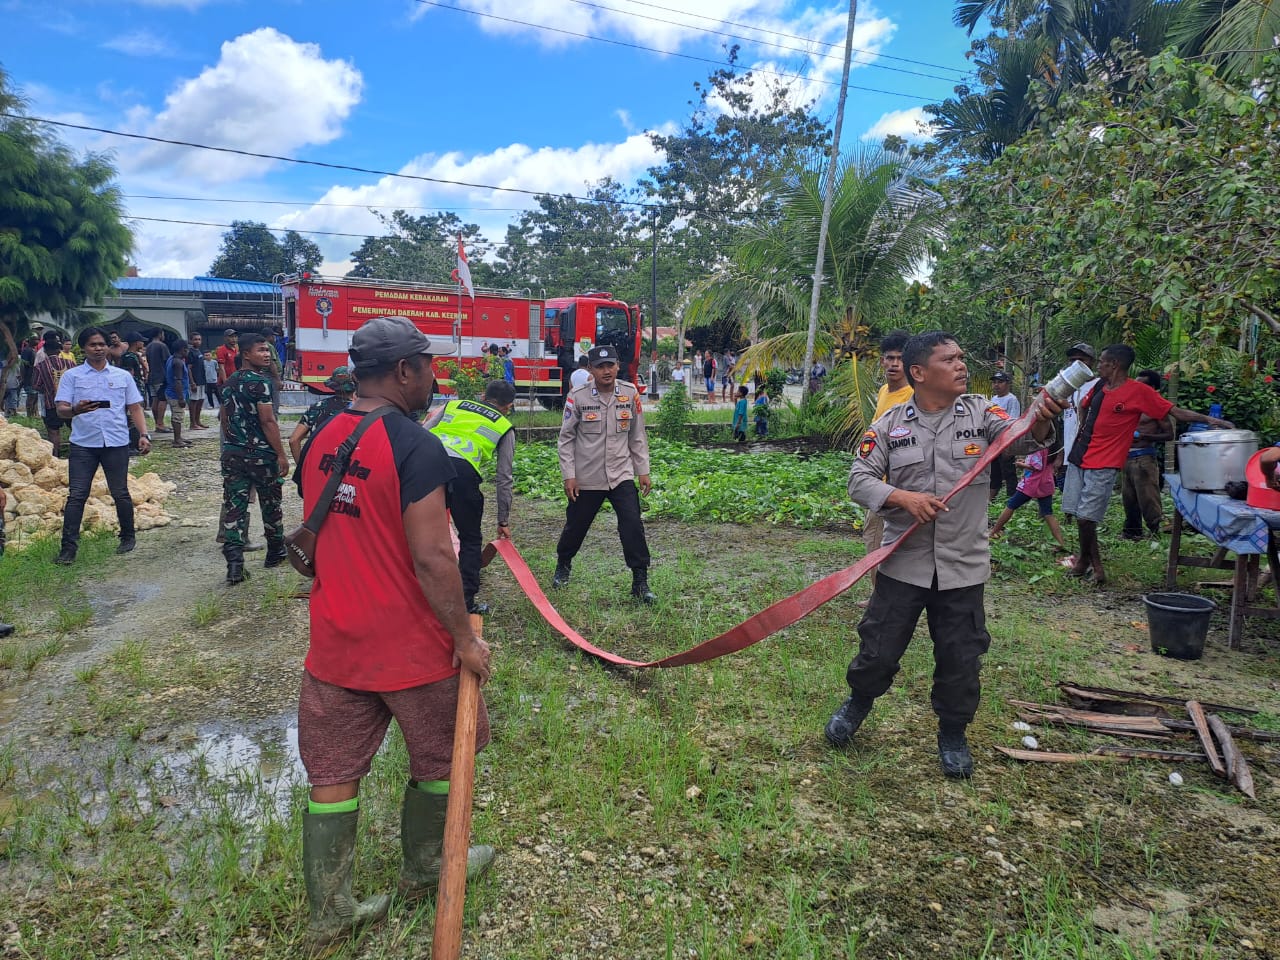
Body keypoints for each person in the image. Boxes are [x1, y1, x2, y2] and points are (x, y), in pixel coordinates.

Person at [293, 316, 493, 953]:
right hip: (411, 647)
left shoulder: (319, 436)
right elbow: (433, 557)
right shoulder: (415, 446)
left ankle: (331, 910)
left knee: (333, 771)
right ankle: (426, 869)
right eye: (428, 366)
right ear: (405, 370)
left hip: (334, 641)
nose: (433, 377)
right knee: (441, 755)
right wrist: (464, 638)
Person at [826, 331, 1064, 778]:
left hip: (963, 566)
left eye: (961, 357)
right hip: (904, 563)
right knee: (879, 648)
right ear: (919, 372)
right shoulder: (889, 426)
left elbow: (1019, 440)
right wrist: (902, 497)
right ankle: (857, 704)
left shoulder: (982, 413)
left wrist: (1041, 422)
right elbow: (859, 479)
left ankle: (953, 734)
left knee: (960, 658)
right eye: (949, 359)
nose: (961, 365)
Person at [1064, 344, 1231, 585]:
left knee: (1086, 518)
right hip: (1080, 456)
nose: (1098, 365)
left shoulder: (1139, 391)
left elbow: (1175, 412)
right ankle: (1084, 562)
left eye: (1101, 361)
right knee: (1079, 515)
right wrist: (1083, 431)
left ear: (1114, 364)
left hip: (1104, 462)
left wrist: (1212, 420)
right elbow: (1084, 407)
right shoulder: (1100, 385)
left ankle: (1096, 568)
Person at [552, 344, 655, 602]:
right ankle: (563, 564)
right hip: (587, 477)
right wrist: (569, 475)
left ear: (618, 366)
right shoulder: (578, 396)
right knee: (576, 525)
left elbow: (637, 435)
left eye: (611, 365)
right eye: (600, 367)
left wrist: (642, 470)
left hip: (621, 474)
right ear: (591, 369)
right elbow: (566, 439)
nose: (606, 371)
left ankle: (640, 581)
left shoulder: (629, 393)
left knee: (632, 525)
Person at [52, 327, 152, 565]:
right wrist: (76, 409)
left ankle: (127, 537)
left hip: (116, 442)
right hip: (83, 444)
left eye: (101, 344)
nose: (98, 348)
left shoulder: (122, 376)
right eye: (92, 344)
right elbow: (61, 409)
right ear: (84, 348)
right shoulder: (72, 376)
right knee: (77, 495)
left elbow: (135, 407)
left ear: (108, 347)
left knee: (120, 492)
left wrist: (144, 434)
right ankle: (68, 549)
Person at [426, 379, 517, 614]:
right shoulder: (504, 426)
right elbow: (504, 477)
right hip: (463, 476)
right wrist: (503, 520)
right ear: (508, 406)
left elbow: (422, 432)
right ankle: (466, 601)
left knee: (421, 533)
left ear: (483, 396)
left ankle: (417, 592)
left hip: (428, 464)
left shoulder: (453, 405)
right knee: (470, 539)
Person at [219, 334, 290, 584]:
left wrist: (233, 443)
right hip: (261, 455)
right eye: (261, 350)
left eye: (268, 350)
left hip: (233, 453)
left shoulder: (229, 382)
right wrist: (281, 454)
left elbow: (224, 418)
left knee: (235, 506)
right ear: (246, 354)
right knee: (271, 504)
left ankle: (234, 565)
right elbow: (268, 420)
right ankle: (275, 552)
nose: (267, 354)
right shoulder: (261, 383)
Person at [862, 331, 914, 579]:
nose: (894, 364)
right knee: (874, 543)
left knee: (884, 548)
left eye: (900, 359)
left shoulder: (913, 397)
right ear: (882, 361)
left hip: (898, 487)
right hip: (878, 484)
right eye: (889, 358)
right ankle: (880, 594)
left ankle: (882, 597)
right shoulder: (884, 391)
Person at [1120, 369, 1174, 540]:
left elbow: (1169, 435)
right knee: (1129, 498)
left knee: (1148, 497)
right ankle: (1132, 531)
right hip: (1127, 457)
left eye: (1141, 385)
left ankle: (1155, 531)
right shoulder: (1132, 404)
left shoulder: (1155, 407)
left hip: (1144, 457)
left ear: (1152, 388)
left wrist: (1145, 436)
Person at [987, 442, 1068, 551]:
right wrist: (1025, 462)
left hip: (1032, 484)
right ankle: (1060, 543)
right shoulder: (1051, 447)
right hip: (1046, 483)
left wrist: (1022, 465)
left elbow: (1037, 466)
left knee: (1011, 504)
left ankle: (993, 532)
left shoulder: (1038, 448)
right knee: (1047, 513)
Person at [1058, 342, 1100, 500]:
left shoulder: (1099, 386)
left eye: (1081, 360)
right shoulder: (1068, 388)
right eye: (1072, 360)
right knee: (1069, 497)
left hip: (1090, 453)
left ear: (1091, 362)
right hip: (1070, 453)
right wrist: (1060, 455)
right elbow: (1065, 425)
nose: (1075, 364)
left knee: (1088, 497)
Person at [289, 367, 355, 465]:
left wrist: (301, 468)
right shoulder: (361, 410)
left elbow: (294, 440)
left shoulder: (317, 407)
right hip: (350, 468)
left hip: (319, 465)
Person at [32, 332, 74, 455]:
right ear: (60, 350)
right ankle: (78, 453)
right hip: (71, 404)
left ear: (45, 351)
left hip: (51, 404)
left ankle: (56, 455)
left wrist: (48, 388)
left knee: (53, 431)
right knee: (75, 429)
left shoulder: (40, 366)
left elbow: (36, 385)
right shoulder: (70, 364)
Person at [987, 372, 1022, 500]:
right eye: (994, 382)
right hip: (993, 440)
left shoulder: (1011, 400)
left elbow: (1013, 422)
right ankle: (991, 498)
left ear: (1007, 384)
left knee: (1009, 471)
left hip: (1005, 440)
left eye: (1000, 382)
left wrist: (1009, 443)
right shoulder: (993, 399)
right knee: (994, 470)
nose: (996, 385)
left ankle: (1012, 499)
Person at [163, 340, 193, 449]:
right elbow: (178, 381)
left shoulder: (171, 359)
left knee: (177, 415)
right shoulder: (178, 363)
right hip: (175, 394)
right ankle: (177, 440)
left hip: (171, 391)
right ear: (183, 350)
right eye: (187, 349)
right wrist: (181, 398)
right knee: (177, 416)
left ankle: (179, 437)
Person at [144, 329, 171, 433]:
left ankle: (157, 423)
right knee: (162, 399)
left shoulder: (148, 346)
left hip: (151, 376)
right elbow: (167, 361)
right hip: (161, 376)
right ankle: (160, 423)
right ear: (160, 334)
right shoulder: (162, 346)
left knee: (155, 399)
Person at [186, 332, 208, 429]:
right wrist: (192, 382)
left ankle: (198, 421)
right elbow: (188, 368)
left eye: (199, 339)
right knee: (194, 401)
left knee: (201, 400)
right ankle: (193, 423)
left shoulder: (198, 351)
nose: (198, 341)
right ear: (191, 341)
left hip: (201, 380)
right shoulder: (190, 352)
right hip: (195, 381)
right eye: (195, 339)